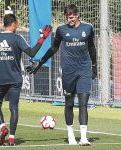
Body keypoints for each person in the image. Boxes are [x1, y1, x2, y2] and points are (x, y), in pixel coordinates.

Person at [26, 4, 97, 146]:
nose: (69, 20)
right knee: (69, 104)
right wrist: (40, 62)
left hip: (84, 70)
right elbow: (54, 48)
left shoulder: (88, 28)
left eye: (71, 17)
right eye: (67, 18)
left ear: (77, 15)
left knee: (83, 103)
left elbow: (91, 47)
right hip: (68, 72)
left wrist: (94, 66)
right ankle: (71, 136)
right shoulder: (61, 30)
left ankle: (83, 138)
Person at [0, 13, 52, 146]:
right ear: (13, 24)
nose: (17, 25)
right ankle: (11, 139)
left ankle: (2, 127)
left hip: (0, 79)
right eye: (16, 23)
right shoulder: (17, 38)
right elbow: (32, 52)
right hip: (15, 80)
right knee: (14, 108)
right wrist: (43, 38)